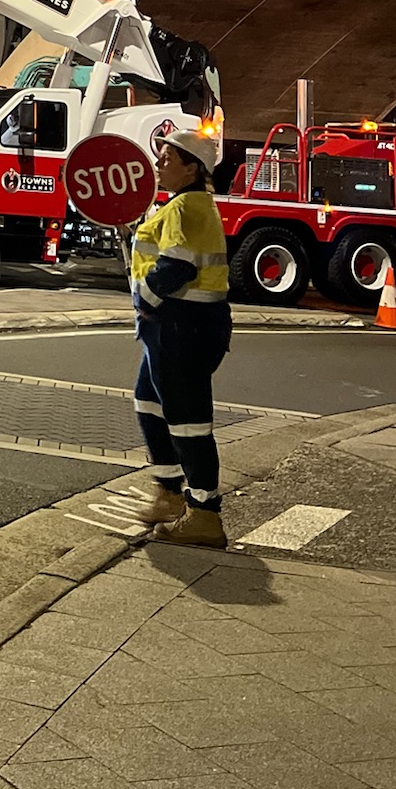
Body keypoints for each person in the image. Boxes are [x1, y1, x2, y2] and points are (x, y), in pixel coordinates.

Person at [131, 126, 231, 548]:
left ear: (192, 169)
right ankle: (171, 493)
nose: (159, 164)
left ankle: (204, 515)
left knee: (189, 423)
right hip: (176, 324)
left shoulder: (186, 207)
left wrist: (144, 299)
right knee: (150, 405)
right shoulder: (183, 204)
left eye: (168, 159)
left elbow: (177, 268)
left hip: (181, 325)